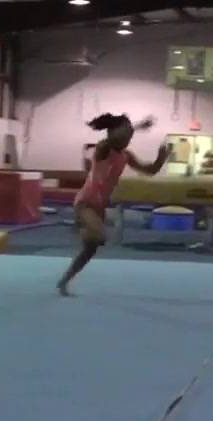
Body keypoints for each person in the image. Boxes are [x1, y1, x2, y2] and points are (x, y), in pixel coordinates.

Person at [57, 113, 168, 296]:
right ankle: (80, 224)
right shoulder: (103, 149)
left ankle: (64, 281)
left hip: (99, 207)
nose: (128, 139)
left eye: (130, 136)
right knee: (99, 235)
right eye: (126, 134)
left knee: (90, 249)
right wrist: (137, 126)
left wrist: (161, 158)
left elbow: (151, 170)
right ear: (112, 134)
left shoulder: (126, 156)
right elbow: (112, 139)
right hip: (85, 202)